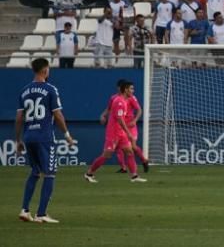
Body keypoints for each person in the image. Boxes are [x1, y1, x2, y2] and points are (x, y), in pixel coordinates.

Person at [15, 58, 75, 223]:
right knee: (50, 173)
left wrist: (18, 140)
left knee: (35, 172)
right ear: (45, 70)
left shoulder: (24, 90)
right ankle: (41, 214)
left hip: (28, 137)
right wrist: (67, 134)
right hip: (44, 137)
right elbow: (57, 114)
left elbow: (19, 118)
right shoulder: (50, 89)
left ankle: (25, 210)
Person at [85, 79, 146, 183]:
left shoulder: (123, 100)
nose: (133, 91)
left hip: (120, 132)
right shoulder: (119, 101)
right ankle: (89, 173)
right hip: (113, 132)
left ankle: (134, 176)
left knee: (129, 151)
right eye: (131, 89)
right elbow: (120, 119)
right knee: (107, 154)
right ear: (126, 90)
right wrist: (128, 133)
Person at [99, 79, 150, 174]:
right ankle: (124, 168)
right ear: (118, 88)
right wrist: (103, 115)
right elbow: (109, 109)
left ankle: (144, 160)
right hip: (119, 126)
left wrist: (135, 120)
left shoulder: (131, 98)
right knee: (119, 148)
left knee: (133, 147)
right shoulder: (114, 98)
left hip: (130, 125)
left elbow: (139, 110)